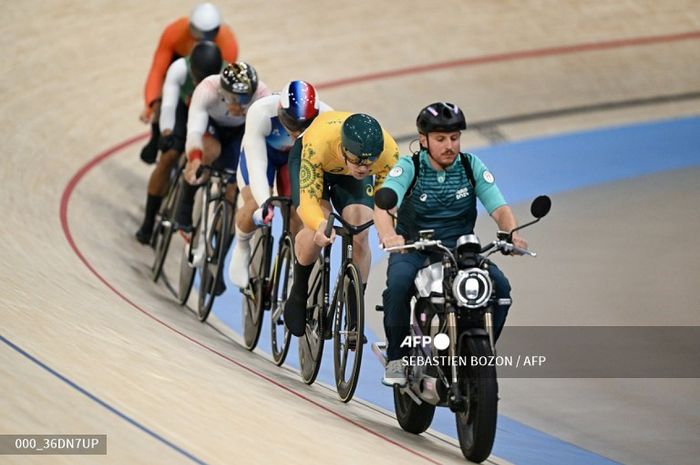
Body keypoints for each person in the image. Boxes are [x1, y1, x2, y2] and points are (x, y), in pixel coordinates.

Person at [374, 102, 528, 387]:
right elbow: (383, 206)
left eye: (454, 138)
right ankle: (396, 358)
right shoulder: (410, 167)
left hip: (460, 252)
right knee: (397, 286)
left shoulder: (471, 166)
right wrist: (388, 236)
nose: (450, 146)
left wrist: (511, 233)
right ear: (423, 140)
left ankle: (477, 355)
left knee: (501, 289)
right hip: (414, 249)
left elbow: (499, 207)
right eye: (441, 139)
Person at [283, 112, 400, 337]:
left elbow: (386, 201)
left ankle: (355, 309)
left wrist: (387, 228)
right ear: (344, 149)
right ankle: (299, 291)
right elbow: (307, 204)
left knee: (361, 230)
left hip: (347, 176)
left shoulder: (387, 153)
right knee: (319, 225)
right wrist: (318, 225)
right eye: (357, 160)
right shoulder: (318, 144)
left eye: (369, 162)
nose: (364, 168)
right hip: (316, 163)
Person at [228, 80, 333, 288]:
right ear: (280, 110)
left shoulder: (327, 118)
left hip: (295, 160)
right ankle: (241, 247)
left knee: (299, 212)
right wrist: (264, 202)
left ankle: (297, 263)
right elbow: (257, 165)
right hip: (262, 154)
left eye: (305, 125)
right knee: (253, 205)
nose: (296, 131)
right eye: (292, 124)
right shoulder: (261, 112)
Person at [135, 41, 224, 244]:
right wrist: (166, 132)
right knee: (170, 155)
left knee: (206, 157)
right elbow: (168, 105)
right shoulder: (179, 69)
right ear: (191, 69)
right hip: (182, 109)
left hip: (209, 114)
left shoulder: (225, 77)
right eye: (198, 79)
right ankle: (148, 223)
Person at [139, 2, 239, 164]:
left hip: (206, 71)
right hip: (179, 63)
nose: (202, 38)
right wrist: (150, 104)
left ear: (217, 31)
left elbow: (219, 83)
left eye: (209, 34)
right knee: (165, 94)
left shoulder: (228, 44)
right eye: (197, 32)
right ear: (189, 26)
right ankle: (156, 136)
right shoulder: (174, 32)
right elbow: (157, 70)